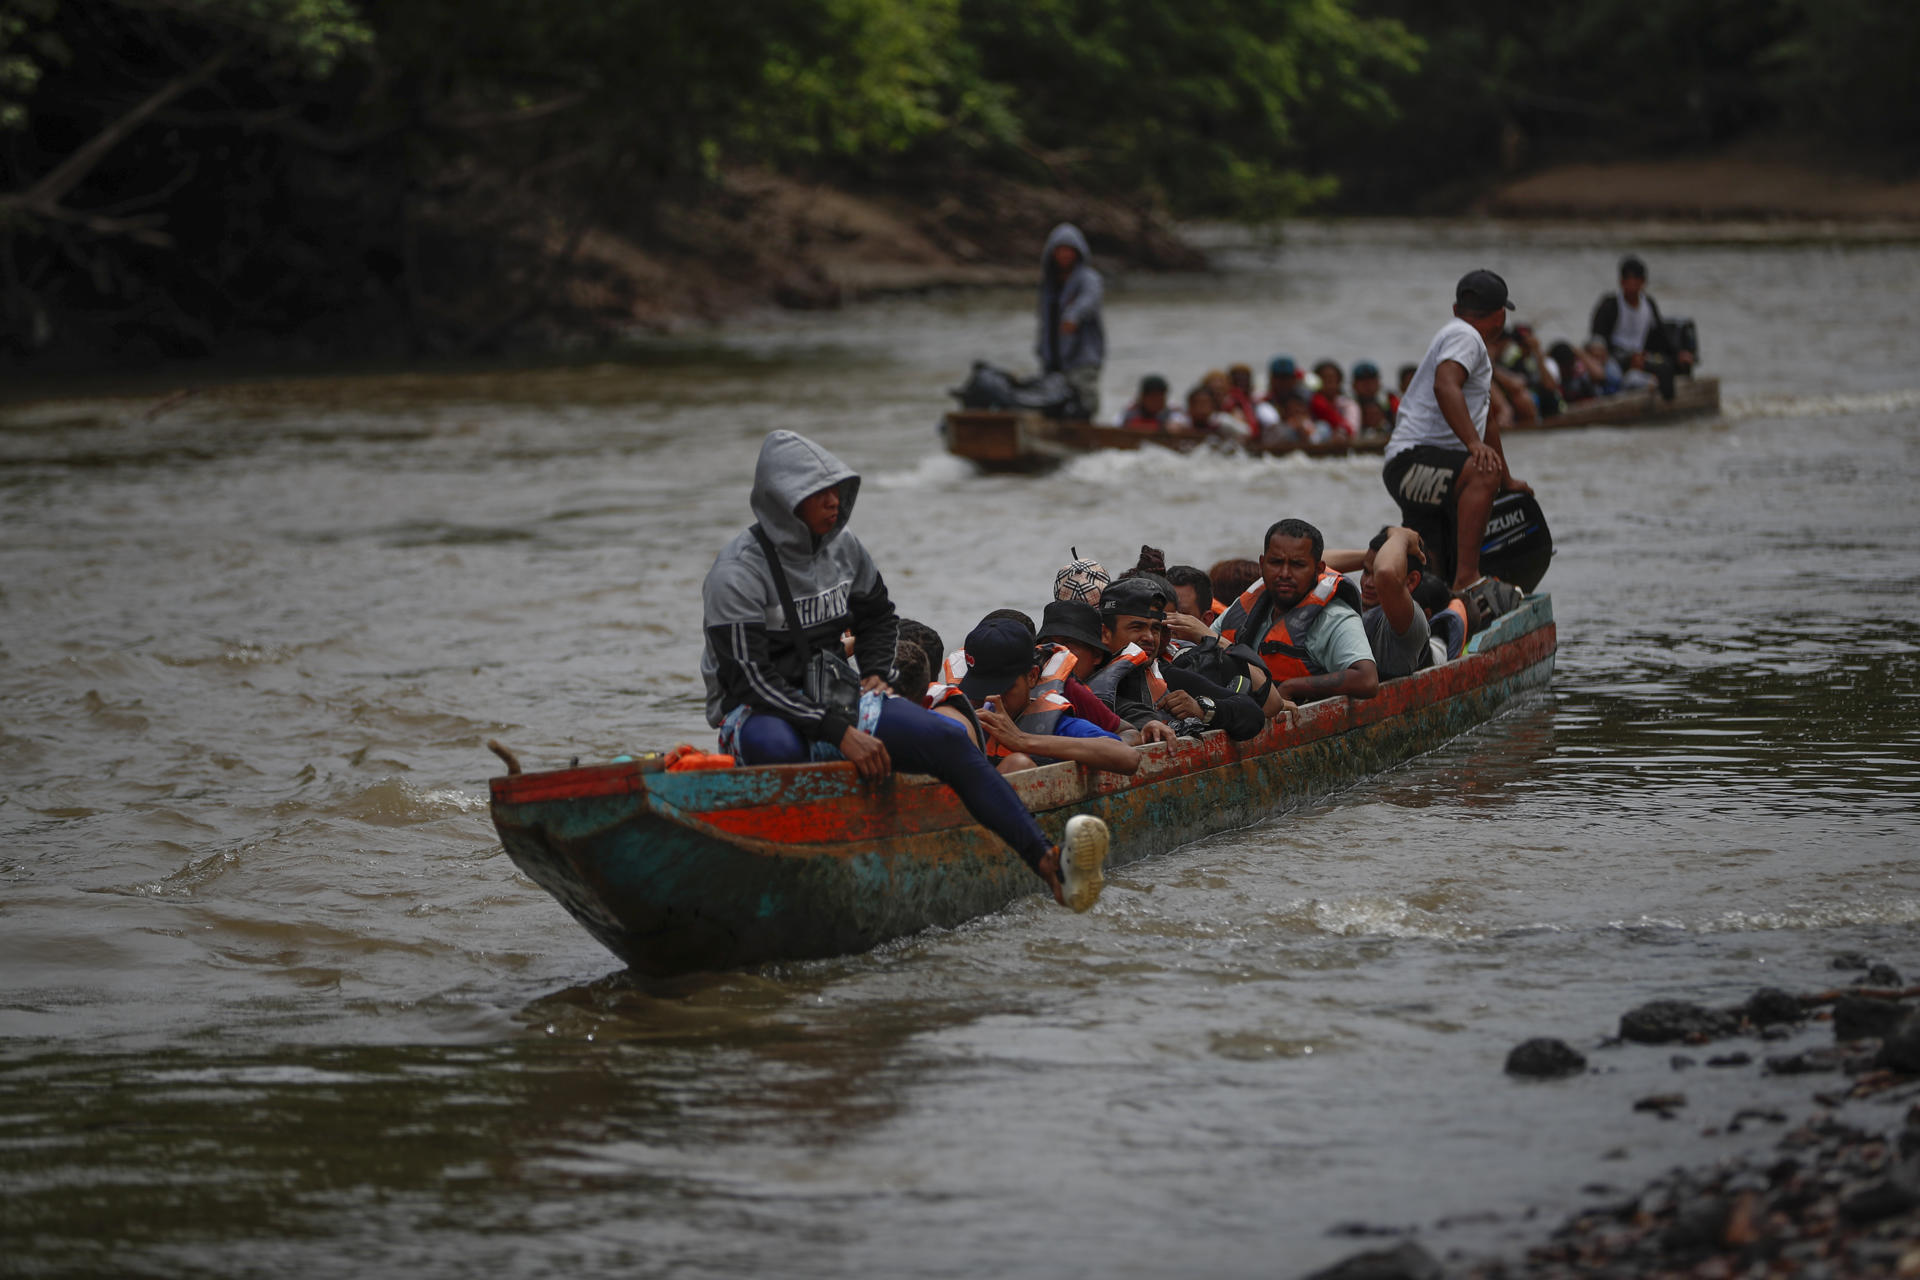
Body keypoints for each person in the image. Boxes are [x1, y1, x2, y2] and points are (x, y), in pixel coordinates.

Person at [701, 429, 1102, 908]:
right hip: (757, 708)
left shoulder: (843, 548)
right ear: (782, 502)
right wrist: (840, 730)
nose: (834, 503)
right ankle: (800, 884)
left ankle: (1046, 860)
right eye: (819, 494)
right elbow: (748, 680)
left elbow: (877, 615)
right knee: (778, 748)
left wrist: (873, 671)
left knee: (949, 740)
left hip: (833, 696)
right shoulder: (738, 573)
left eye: (838, 492)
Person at [1381, 268, 1532, 591]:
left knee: (1431, 574)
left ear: (1455, 309)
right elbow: (1445, 385)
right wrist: (1475, 446)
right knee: (1481, 471)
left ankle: (1440, 604)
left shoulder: (1459, 337)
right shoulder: (1466, 336)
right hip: (1413, 462)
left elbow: (1486, 419)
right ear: (1500, 315)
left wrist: (1507, 480)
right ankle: (1468, 580)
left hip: (1417, 467)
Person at [932, 618, 1143, 779]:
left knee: (1018, 764)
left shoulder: (1054, 724)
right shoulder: (964, 718)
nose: (990, 698)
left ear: (1032, 676)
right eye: (980, 688)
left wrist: (1021, 740)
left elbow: (1128, 757)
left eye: (1003, 688)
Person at [1214, 518, 1379, 704]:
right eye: (1275, 563)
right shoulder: (1246, 607)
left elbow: (1367, 680)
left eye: (1297, 565)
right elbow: (1206, 645)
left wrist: (1291, 687)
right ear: (1262, 564)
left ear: (1319, 569)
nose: (1284, 573)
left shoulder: (1336, 618)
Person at [1324, 527, 1443, 678]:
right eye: (1366, 572)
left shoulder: (1410, 620)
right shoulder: (1359, 604)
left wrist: (1400, 535)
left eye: (1376, 574)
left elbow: (1386, 573)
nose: (1368, 583)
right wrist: (1372, 556)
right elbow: (1314, 564)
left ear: (1411, 581)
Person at [1588, 254, 1693, 399]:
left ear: (1643, 282)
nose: (1632, 286)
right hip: (1615, 357)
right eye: (1628, 280)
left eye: (1637, 281)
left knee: (1667, 366)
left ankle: (1669, 401)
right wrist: (1625, 360)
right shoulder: (1610, 305)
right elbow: (1597, 339)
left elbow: (1660, 337)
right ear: (1622, 282)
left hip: (1641, 356)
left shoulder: (1648, 304)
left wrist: (1678, 354)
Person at [1037, 223, 1105, 419]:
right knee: (1052, 404)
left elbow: (1090, 299)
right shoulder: (1049, 283)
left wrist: (1073, 316)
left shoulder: (1088, 278)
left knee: (1084, 402)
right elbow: (1043, 320)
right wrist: (1041, 349)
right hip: (1053, 357)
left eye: (1069, 250)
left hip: (1082, 356)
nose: (1064, 255)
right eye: (1060, 250)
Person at [1308, 360, 1359, 436]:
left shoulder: (1348, 405)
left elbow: (1352, 430)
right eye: (1324, 378)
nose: (1329, 382)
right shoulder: (1308, 402)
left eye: (1332, 379)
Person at [1351, 361, 1397, 431]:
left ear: (1379, 383)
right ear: (1354, 385)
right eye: (1362, 381)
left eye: (1371, 380)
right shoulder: (1349, 405)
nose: (1368, 385)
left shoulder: (1389, 403)